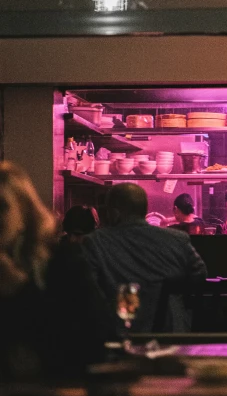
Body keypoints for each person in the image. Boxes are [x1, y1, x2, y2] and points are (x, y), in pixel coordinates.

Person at [0, 160, 116, 382]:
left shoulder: (61, 262)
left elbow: (96, 338)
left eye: (1, 207)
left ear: (24, 212)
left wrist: (20, 288)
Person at [82, 183, 207, 333]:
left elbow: (86, 287)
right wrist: (168, 291)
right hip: (170, 334)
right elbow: (200, 274)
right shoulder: (177, 239)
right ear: (144, 210)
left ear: (114, 213)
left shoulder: (95, 241)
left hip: (118, 333)